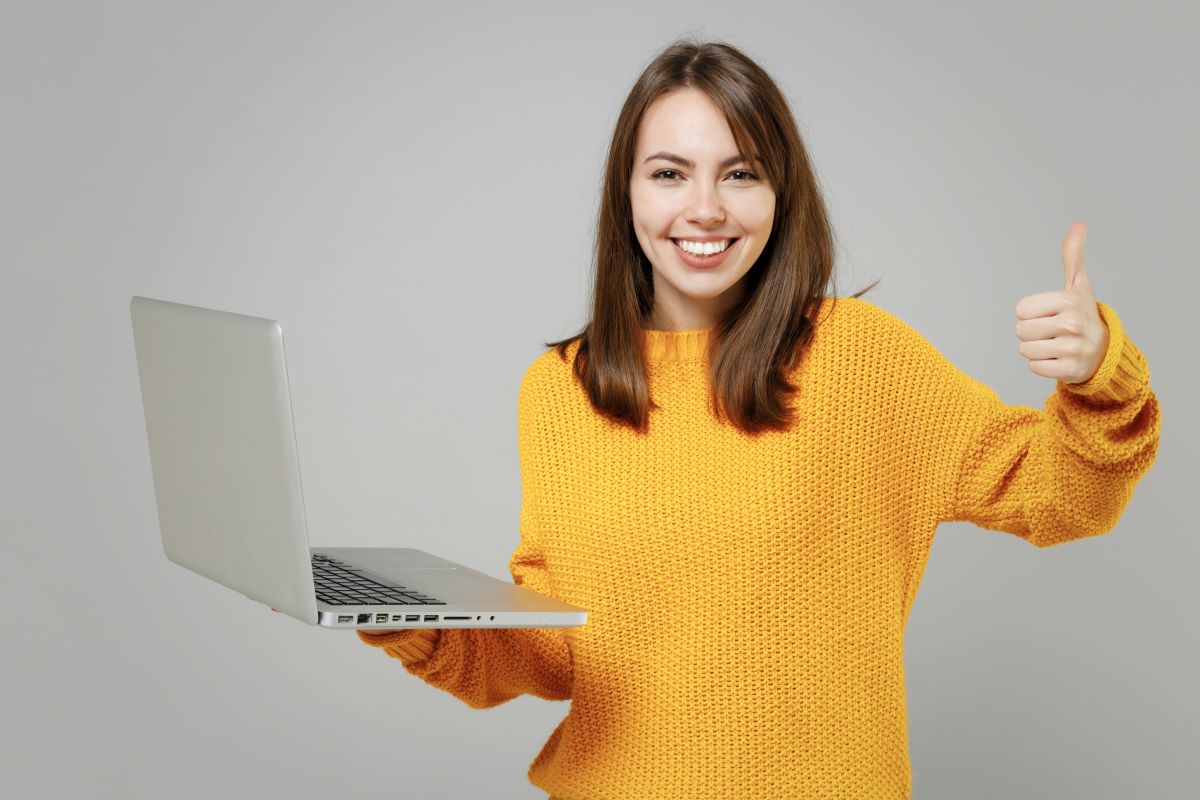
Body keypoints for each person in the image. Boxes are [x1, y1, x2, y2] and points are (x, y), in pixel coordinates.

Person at [353, 36, 1161, 799]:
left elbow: (1062, 496)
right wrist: (419, 621)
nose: (704, 208)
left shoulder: (857, 358)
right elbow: (563, 654)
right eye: (669, 174)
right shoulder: (561, 388)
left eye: (739, 174)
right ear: (626, 192)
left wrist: (1098, 379)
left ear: (780, 193)